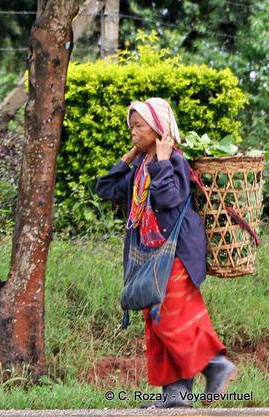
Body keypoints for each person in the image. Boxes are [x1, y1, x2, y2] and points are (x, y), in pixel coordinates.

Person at [96, 98, 238, 408]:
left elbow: (169, 198)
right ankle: (176, 397)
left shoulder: (173, 161)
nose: (133, 131)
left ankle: (215, 365)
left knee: (168, 319)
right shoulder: (142, 166)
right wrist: (131, 155)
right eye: (131, 126)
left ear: (159, 129)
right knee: (156, 321)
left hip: (175, 253)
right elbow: (105, 189)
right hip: (150, 257)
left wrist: (160, 160)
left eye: (139, 127)